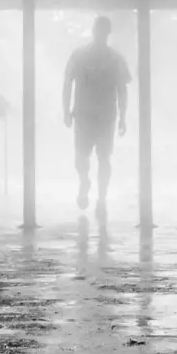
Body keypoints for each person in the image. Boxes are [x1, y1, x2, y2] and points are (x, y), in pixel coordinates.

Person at [62, 15, 131, 212]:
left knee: (103, 157)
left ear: (107, 34)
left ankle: (101, 198)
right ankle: (85, 182)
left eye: (103, 32)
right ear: (94, 32)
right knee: (82, 158)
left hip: (105, 117)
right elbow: (67, 82)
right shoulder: (80, 55)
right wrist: (65, 110)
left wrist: (123, 117)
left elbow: (122, 88)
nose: (100, 35)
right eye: (98, 31)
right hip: (85, 116)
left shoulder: (115, 59)